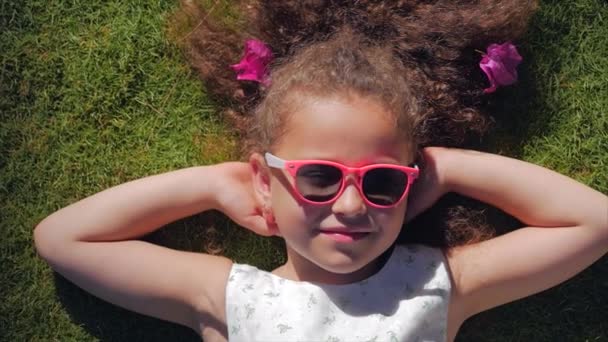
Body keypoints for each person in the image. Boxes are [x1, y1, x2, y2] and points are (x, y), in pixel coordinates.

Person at [34, 1, 607, 341]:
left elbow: (593, 224)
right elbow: (62, 238)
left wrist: (447, 168)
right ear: (265, 180)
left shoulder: (437, 285)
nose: (352, 205)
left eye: (381, 181)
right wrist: (212, 184)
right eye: (318, 177)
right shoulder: (225, 295)